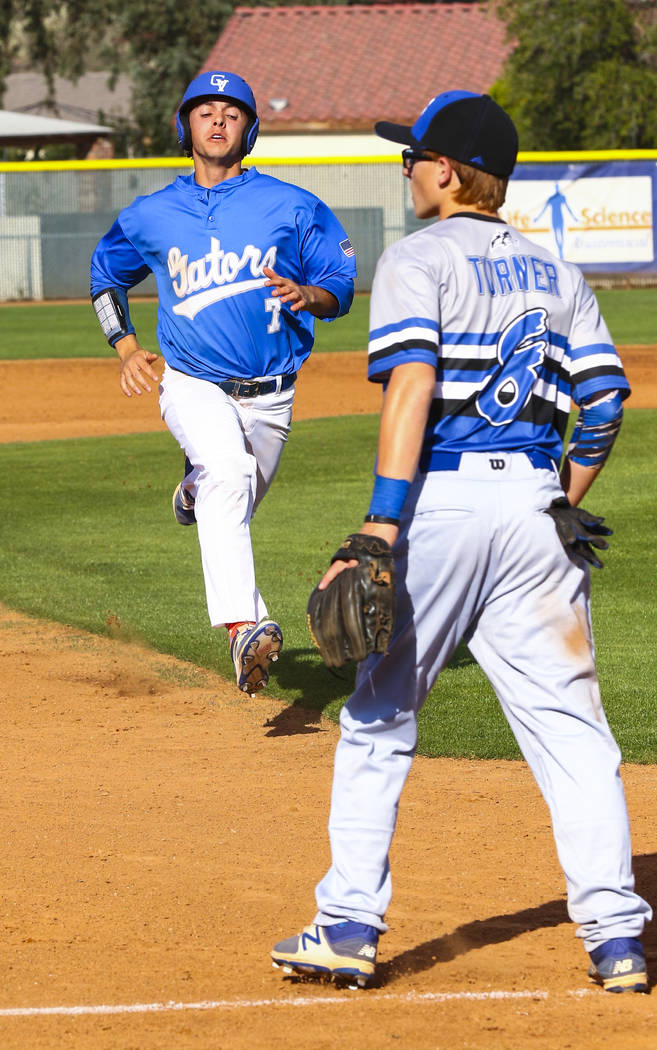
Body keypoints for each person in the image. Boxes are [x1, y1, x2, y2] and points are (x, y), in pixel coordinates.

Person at [271, 91, 651, 992]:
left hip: (439, 506)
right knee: (573, 737)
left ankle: (348, 926)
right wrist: (559, 497)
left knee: (377, 720)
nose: (405, 168)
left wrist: (379, 519)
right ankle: (618, 937)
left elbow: (411, 386)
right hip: (534, 516)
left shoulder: (417, 258)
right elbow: (602, 404)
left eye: (413, 156)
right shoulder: (559, 274)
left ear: (446, 170)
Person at [90, 71, 356, 696]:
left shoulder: (291, 206)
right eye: (204, 110)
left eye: (230, 112)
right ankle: (245, 626)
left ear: (249, 129)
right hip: (192, 382)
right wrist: (125, 346)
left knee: (225, 501)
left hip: (274, 394)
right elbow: (106, 276)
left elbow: (338, 286)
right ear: (185, 127)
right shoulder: (152, 214)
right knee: (229, 480)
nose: (217, 120)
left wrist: (309, 294)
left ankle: (192, 485)